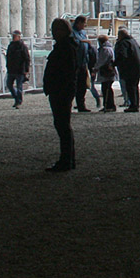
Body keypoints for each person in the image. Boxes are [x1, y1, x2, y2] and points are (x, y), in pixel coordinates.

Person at [43, 18, 81, 171]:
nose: (53, 33)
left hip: (61, 90)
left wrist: (56, 87)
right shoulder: (68, 46)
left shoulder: (64, 48)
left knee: (62, 125)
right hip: (62, 89)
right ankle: (68, 159)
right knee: (63, 125)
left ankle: (66, 160)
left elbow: (65, 71)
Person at [113, 28, 140, 112]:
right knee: (135, 87)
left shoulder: (123, 43)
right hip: (137, 67)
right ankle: (136, 104)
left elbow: (123, 55)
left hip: (129, 68)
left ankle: (133, 105)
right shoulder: (133, 41)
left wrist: (114, 64)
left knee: (130, 87)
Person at [71, 15, 96, 112]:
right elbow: (74, 43)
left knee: (82, 85)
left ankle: (81, 105)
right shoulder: (72, 33)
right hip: (75, 63)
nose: (85, 25)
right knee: (73, 85)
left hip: (83, 62)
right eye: (84, 23)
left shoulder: (83, 33)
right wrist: (84, 41)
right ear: (78, 23)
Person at [4, 29, 31, 108]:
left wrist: (26, 70)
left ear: (19, 37)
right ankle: (16, 98)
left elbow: (27, 58)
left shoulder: (22, 47)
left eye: (15, 36)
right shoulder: (11, 45)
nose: (13, 37)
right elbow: (8, 57)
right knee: (9, 85)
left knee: (19, 87)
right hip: (11, 69)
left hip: (20, 70)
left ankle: (18, 101)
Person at [94, 34, 118, 112]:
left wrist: (95, 68)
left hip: (106, 71)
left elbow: (102, 60)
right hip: (109, 71)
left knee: (106, 89)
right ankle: (108, 105)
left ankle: (108, 105)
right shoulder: (109, 48)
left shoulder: (105, 49)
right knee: (107, 88)